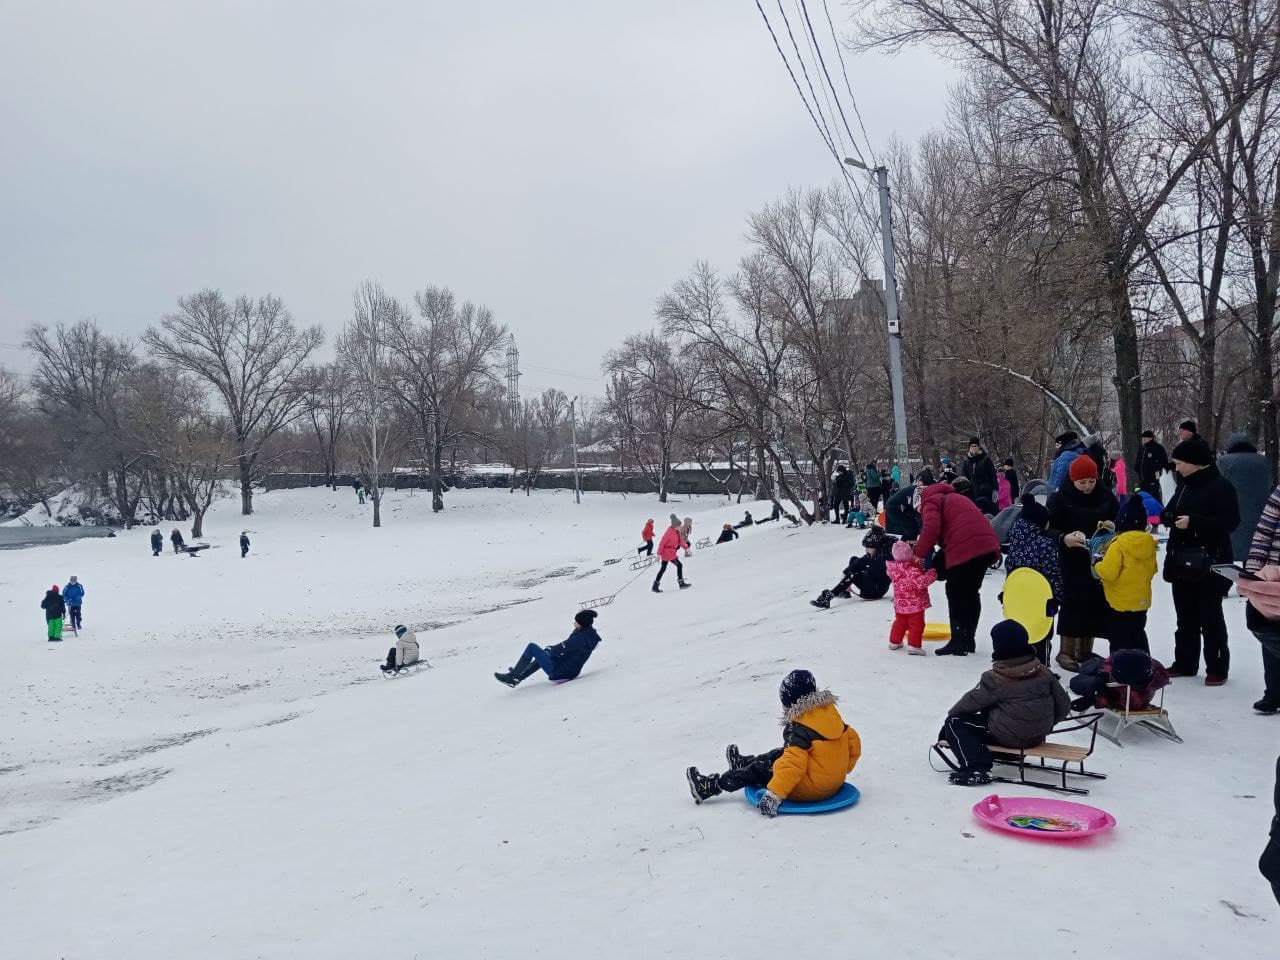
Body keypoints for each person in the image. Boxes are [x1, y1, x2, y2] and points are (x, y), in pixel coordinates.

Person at [685, 669, 861, 817]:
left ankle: (709, 786)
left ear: (792, 703)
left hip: (808, 791)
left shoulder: (798, 727)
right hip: (834, 783)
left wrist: (774, 796)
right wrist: (839, 769)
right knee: (779, 754)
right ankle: (743, 763)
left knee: (762, 768)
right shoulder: (830, 715)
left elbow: (793, 765)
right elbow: (853, 742)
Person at [939, 620, 1071, 786]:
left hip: (1009, 737)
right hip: (1037, 736)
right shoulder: (1044, 671)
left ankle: (977, 767)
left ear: (998, 647)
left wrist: (949, 728)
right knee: (996, 711)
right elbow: (1064, 705)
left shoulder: (995, 678)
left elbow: (966, 705)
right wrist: (1042, 724)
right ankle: (1007, 752)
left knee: (954, 723)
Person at [1162, 436, 1239, 685]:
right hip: (1181, 559)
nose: (1176, 468)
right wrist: (1169, 516)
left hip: (1210, 561)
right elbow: (1172, 509)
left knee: (1210, 616)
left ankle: (1217, 667)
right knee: (1184, 615)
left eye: (1180, 463)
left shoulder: (1221, 486)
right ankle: (1185, 661)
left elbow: (1230, 522)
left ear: (1194, 463)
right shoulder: (1183, 485)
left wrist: (1194, 522)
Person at [1047, 455, 1119, 671]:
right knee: (1072, 602)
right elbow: (1048, 528)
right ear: (1072, 480)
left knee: (1095, 603)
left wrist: (1113, 526)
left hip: (1099, 558)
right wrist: (1063, 538)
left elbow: (1120, 517)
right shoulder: (1060, 499)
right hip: (1072, 559)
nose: (1087, 487)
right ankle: (1066, 651)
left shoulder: (1106, 496)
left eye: (1091, 481)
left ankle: (1085, 650)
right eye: (1082, 482)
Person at [913, 481, 1001, 656]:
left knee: (955, 590)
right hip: (987, 546)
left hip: (967, 546)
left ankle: (958, 640)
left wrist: (919, 553)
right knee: (970, 592)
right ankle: (969, 639)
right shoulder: (952, 497)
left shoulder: (930, 501)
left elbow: (931, 527)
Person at [1094, 495, 1158, 654]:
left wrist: (1097, 565)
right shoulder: (1149, 544)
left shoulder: (1118, 545)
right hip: (1141, 602)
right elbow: (1153, 569)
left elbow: (1109, 572)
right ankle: (1143, 665)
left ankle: (1119, 668)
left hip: (1119, 603)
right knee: (1138, 633)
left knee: (1119, 637)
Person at [1004, 495, 1062, 663]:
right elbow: (1053, 573)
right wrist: (1056, 598)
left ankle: (1019, 663)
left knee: (1019, 630)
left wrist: (1006, 592)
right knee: (1042, 632)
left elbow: (1011, 570)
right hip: (1042, 599)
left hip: (1018, 597)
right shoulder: (1046, 544)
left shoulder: (1015, 540)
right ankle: (1041, 666)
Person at [1239, 484, 1280, 712]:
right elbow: (1263, 533)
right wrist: (1253, 576)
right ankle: (1273, 693)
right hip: (1271, 576)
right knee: (1271, 637)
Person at [495, 609, 602, 686]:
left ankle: (513, 677)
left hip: (560, 672)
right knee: (545, 652)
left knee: (532, 647)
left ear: (581, 624)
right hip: (570, 671)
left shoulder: (579, 638)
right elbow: (566, 649)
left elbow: (560, 648)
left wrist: (550, 649)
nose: (574, 623)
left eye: (576, 622)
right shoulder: (589, 634)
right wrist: (549, 650)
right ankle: (518, 676)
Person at [1219, 433, 1271, 563]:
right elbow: (1270, 482)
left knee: (1234, 547)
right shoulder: (1263, 460)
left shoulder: (1224, 461)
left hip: (1234, 510)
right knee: (1255, 547)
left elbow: (1218, 485)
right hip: (1259, 510)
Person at [810, 528, 891, 608]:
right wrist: (846, 573)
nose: (866, 550)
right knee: (854, 560)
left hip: (875, 592)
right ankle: (844, 591)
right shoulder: (874, 556)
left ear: (877, 546)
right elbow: (859, 563)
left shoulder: (882, 559)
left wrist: (849, 574)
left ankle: (829, 597)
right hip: (871, 584)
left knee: (853, 574)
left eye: (868, 547)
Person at [1068, 648, 1169, 712]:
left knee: (1081, 682)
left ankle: (1092, 666)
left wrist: (1094, 699)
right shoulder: (1150, 667)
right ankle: (1093, 663)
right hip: (1111, 667)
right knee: (1092, 668)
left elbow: (1115, 699)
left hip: (1111, 678)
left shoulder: (1135, 696)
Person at [886, 540, 936, 654]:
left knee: (900, 623)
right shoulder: (912, 571)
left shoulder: (893, 569)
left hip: (900, 605)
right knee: (916, 625)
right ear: (910, 555)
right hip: (915, 606)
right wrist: (931, 573)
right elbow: (921, 582)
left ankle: (894, 642)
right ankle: (914, 646)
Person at [652, 517, 690, 592]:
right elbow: (661, 544)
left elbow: (680, 541)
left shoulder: (676, 532)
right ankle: (681, 583)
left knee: (663, 569)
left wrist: (686, 548)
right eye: (679, 526)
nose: (680, 527)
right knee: (679, 565)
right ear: (675, 526)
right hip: (667, 553)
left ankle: (655, 587)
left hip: (671, 552)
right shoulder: (669, 533)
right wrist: (658, 554)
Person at [961, 437, 998, 511]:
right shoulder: (966, 462)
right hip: (972, 492)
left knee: (987, 513)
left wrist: (995, 489)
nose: (974, 448)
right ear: (969, 448)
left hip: (986, 491)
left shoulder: (986, 459)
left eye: (976, 446)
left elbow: (993, 476)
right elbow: (964, 477)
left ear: (979, 447)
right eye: (972, 446)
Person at [1134, 429, 1170, 500]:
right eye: (1142, 437)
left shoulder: (1157, 448)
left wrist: (1156, 469)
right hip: (1142, 480)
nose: (1143, 439)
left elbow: (1164, 461)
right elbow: (1138, 461)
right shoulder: (1142, 448)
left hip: (1153, 479)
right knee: (1144, 498)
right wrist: (1136, 469)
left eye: (1145, 437)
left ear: (1151, 438)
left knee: (1154, 497)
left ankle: (1158, 510)